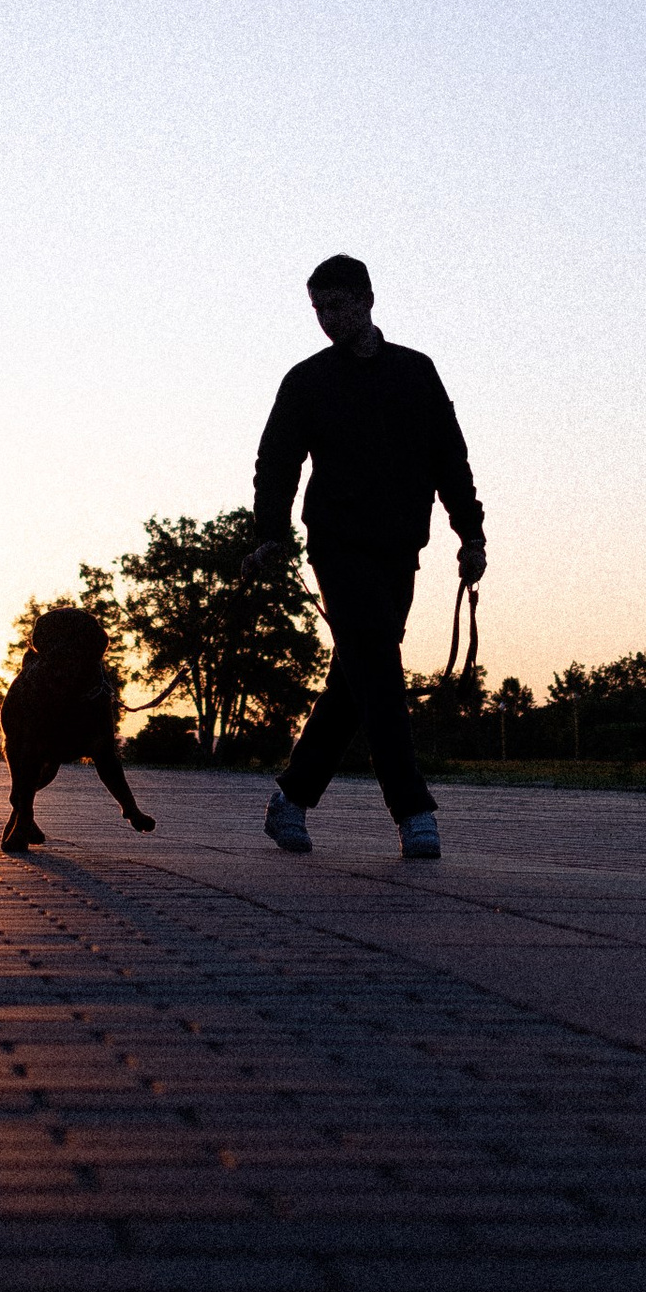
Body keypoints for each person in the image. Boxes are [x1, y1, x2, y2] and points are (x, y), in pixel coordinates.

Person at [246, 253, 484, 863]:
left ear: (367, 299)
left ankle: (292, 798)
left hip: (400, 547)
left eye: (337, 305)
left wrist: (471, 534)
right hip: (337, 545)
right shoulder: (307, 380)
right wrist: (270, 533)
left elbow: (449, 459)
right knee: (378, 668)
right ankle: (413, 810)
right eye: (317, 309)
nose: (327, 319)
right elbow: (277, 461)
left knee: (356, 680)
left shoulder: (416, 373)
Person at [0, 605, 156, 855]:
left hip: (83, 710)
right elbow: (27, 759)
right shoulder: (32, 686)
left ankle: (130, 808)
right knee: (29, 765)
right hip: (31, 721)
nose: (66, 655)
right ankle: (22, 819)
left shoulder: (98, 693)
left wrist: (130, 807)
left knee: (103, 754)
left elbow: (107, 759)